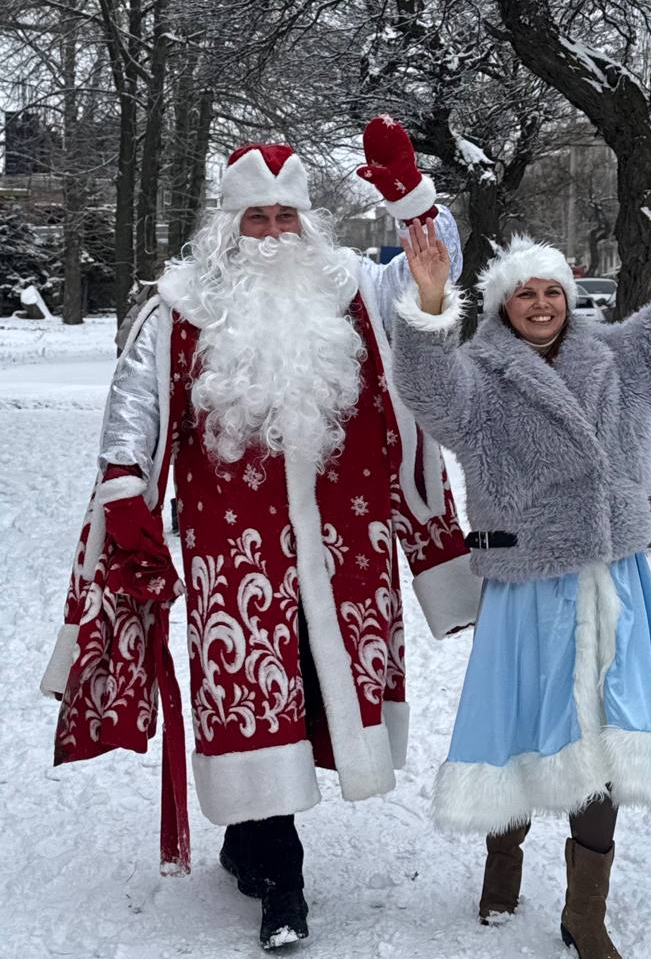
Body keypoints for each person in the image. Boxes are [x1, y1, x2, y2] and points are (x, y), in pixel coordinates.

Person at [41, 119, 481, 951]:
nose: (273, 233)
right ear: (228, 224)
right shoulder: (181, 306)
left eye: (285, 217)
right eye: (257, 217)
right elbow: (133, 408)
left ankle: (249, 839)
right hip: (234, 548)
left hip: (345, 543)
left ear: (307, 223)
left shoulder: (355, 287)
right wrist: (127, 491)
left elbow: (436, 269)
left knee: (314, 684)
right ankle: (286, 880)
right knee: (250, 692)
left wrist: (410, 199)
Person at [391, 176, 651, 959]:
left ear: (568, 297)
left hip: (610, 580)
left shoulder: (623, 359)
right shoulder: (480, 382)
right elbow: (424, 388)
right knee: (521, 726)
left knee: (604, 739)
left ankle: (583, 912)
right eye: (524, 293)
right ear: (502, 306)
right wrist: (428, 305)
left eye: (551, 291)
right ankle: (503, 862)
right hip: (526, 584)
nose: (540, 304)